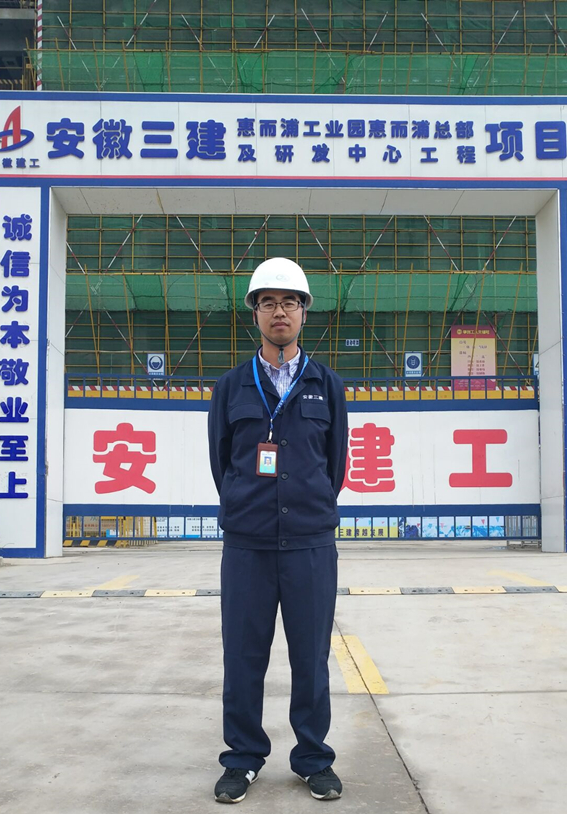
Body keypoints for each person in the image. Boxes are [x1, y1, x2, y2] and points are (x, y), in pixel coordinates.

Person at [208, 257, 349, 804]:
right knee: (243, 657)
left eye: (289, 302)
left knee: (310, 657)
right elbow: (222, 463)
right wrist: (249, 507)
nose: (279, 312)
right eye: (268, 302)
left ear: (304, 313)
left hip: (311, 545)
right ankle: (242, 759)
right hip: (247, 546)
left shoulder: (326, 385)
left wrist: (307, 508)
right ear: (255, 315)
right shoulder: (231, 386)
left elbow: (335, 466)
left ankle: (313, 758)